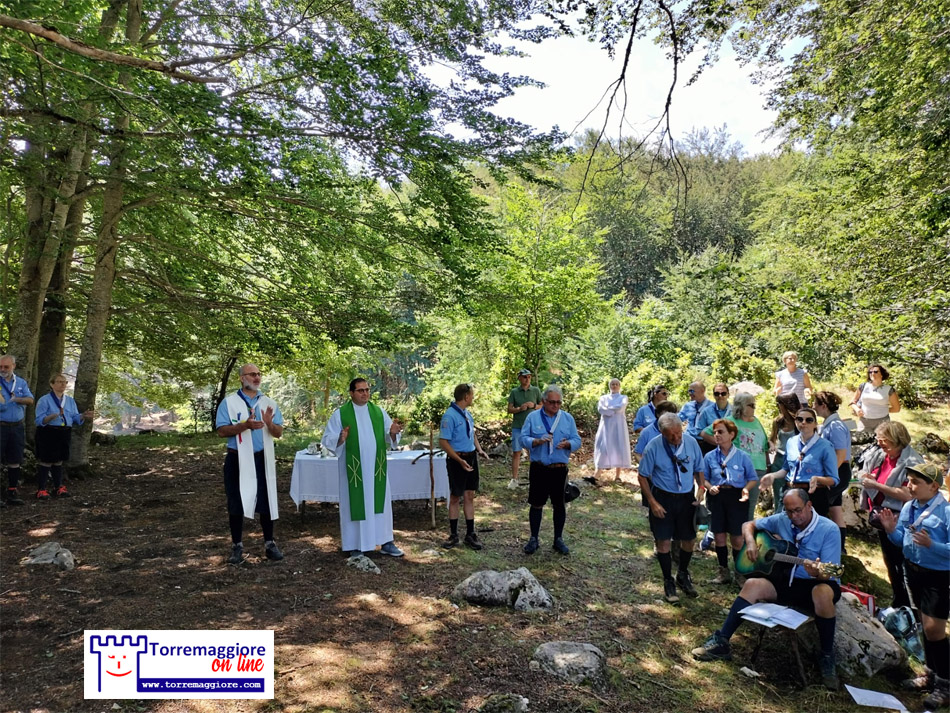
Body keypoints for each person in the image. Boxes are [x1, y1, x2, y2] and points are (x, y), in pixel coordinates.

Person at [691, 488, 843, 690]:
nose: (793, 516)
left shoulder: (829, 529)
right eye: (789, 511)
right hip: (785, 580)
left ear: (809, 505)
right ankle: (722, 641)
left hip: (816, 582)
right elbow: (748, 525)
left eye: (798, 510)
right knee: (752, 585)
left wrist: (816, 573)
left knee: (822, 593)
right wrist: (751, 543)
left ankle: (826, 656)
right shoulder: (782, 519)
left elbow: (830, 573)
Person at [879, 463, 950, 710]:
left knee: (934, 630)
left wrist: (933, 545)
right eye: (909, 480)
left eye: (916, 482)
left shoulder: (946, 512)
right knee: (923, 624)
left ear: (934, 486)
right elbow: (902, 540)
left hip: (937, 577)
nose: (910, 485)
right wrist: (891, 531)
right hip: (912, 572)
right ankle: (930, 674)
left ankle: (946, 684)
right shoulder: (910, 507)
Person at [321, 378, 404, 557]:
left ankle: (385, 541)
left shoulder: (379, 412)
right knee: (355, 505)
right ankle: (355, 545)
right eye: (360, 390)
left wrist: (393, 433)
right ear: (351, 393)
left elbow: (390, 435)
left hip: (376, 469)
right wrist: (340, 438)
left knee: (381, 504)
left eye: (367, 390)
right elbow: (327, 439)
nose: (365, 393)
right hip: (354, 472)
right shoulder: (340, 414)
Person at [215, 363, 284, 565]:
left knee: (266, 500)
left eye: (259, 374)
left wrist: (269, 423)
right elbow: (221, 431)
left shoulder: (268, 403)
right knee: (235, 501)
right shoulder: (229, 403)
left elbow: (278, 433)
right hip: (237, 458)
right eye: (252, 374)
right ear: (242, 378)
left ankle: (270, 544)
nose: (256, 377)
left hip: (262, 458)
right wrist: (244, 425)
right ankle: (237, 545)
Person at [638, 412, 706, 602]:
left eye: (678, 433)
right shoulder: (653, 447)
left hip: (686, 498)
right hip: (663, 497)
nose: (676, 438)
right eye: (671, 435)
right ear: (662, 433)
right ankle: (668, 580)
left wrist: (701, 488)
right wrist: (652, 502)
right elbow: (642, 476)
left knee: (689, 539)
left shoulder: (691, 442)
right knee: (664, 541)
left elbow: (699, 468)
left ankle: (682, 574)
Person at [856, 421, 923, 608]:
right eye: (879, 439)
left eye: (884, 440)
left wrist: (876, 485)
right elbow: (865, 470)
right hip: (881, 517)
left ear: (897, 439)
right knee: (890, 561)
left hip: (900, 519)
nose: (880, 443)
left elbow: (908, 494)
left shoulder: (912, 461)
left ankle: (909, 605)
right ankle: (898, 600)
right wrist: (867, 477)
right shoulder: (881, 454)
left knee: (902, 563)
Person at [520, 385, 581, 555]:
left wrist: (568, 444)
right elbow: (522, 438)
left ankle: (558, 539)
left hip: (559, 469)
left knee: (559, 504)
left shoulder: (567, 418)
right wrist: (536, 441)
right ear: (544, 401)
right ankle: (533, 538)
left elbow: (577, 440)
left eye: (558, 403)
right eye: (552, 402)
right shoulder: (533, 417)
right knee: (536, 504)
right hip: (539, 468)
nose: (555, 405)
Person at [703, 419, 758, 584]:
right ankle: (723, 572)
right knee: (719, 535)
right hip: (717, 496)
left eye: (721, 432)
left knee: (737, 538)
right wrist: (709, 487)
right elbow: (703, 478)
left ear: (731, 434)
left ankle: (739, 572)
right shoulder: (710, 456)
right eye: (715, 432)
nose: (716, 435)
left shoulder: (743, 456)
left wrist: (746, 489)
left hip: (736, 497)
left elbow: (752, 478)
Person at [760, 407, 838, 517]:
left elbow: (834, 479)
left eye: (809, 420)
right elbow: (786, 469)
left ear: (815, 424)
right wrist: (773, 475)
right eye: (800, 419)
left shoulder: (825, 446)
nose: (803, 423)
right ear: (795, 422)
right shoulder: (791, 442)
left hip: (813, 494)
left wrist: (817, 479)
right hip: (790, 491)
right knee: (784, 524)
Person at [702, 391, 768, 520]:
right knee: (734, 509)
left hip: (758, 469)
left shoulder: (757, 421)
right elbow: (705, 433)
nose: (754, 408)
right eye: (751, 405)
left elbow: (763, 444)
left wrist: (768, 464)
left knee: (749, 508)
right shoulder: (730, 421)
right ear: (741, 406)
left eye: (754, 405)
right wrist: (723, 444)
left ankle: (745, 531)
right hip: (738, 469)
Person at [439, 384, 489, 550]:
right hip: (457, 460)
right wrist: (459, 460)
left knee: (469, 495)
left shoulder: (467, 413)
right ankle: (454, 535)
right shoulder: (449, 416)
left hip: (471, 457)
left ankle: (470, 533)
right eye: (472, 395)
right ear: (466, 396)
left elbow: (471, 433)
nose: (473, 398)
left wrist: (479, 450)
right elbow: (443, 442)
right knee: (455, 496)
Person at [33, 373, 94, 499]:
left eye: (65, 382)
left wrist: (83, 415)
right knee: (46, 460)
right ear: (52, 384)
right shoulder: (44, 400)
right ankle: (41, 489)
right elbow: (39, 420)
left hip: (64, 432)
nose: (63, 384)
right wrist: (50, 417)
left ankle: (58, 487)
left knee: (59, 460)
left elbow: (75, 417)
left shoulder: (69, 401)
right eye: (59, 382)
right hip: (48, 432)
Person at [814, 391, 852, 551]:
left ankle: (827, 547)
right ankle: (840, 548)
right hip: (837, 471)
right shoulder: (829, 424)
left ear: (823, 406)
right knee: (835, 510)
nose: (813, 407)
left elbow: (840, 454)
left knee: (819, 507)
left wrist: (829, 476)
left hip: (838, 472)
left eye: (815, 404)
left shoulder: (835, 426)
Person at [0, 354, 34, 506]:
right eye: (0, 367)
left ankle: (12, 493)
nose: (2, 369)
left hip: (17, 427)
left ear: (13, 366)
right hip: (1, 426)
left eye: (6, 367)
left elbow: (30, 400)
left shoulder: (20, 382)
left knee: (15, 460)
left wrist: (18, 399)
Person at [507, 369, 542, 489]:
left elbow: (543, 406)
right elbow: (509, 409)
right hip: (518, 426)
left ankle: (535, 479)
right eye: (525, 377)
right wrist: (519, 409)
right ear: (519, 378)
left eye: (529, 377)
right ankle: (514, 479)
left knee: (534, 452)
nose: (527, 379)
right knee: (516, 452)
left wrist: (534, 405)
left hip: (533, 427)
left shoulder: (536, 390)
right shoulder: (514, 392)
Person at [767, 393, 801, 512]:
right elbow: (772, 439)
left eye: (779, 404)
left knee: (794, 494)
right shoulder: (778, 421)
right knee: (779, 494)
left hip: (795, 461)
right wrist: (772, 445)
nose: (778, 406)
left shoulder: (800, 421)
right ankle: (778, 516)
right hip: (779, 459)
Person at [593, 378, 631, 483]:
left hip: (619, 426)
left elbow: (620, 408)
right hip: (606, 426)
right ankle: (597, 474)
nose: (614, 386)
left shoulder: (623, 397)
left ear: (619, 386)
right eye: (612, 384)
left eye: (616, 384)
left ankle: (618, 476)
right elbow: (601, 409)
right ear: (609, 386)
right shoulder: (603, 398)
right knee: (603, 447)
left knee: (619, 447)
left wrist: (608, 409)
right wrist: (611, 411)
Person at [850, 363, 901, 432]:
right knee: (861, 438)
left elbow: (896, 408)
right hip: (864, 422)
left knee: (881, 439)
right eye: (870, 372)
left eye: (876, 372)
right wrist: (857, 409)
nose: (872, 373)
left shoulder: (889, 390)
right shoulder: (863, 386)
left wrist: (881, 410)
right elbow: (852, 402)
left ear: (882, 374)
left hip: (883, 423)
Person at [679, 381, 713, 454]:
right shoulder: (687, 406)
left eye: (692, 391)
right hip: (689, 442)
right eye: (689, 391)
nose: (690, 393)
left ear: (702, 391)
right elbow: (677, 419)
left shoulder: (712, 407)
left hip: (706, 443)